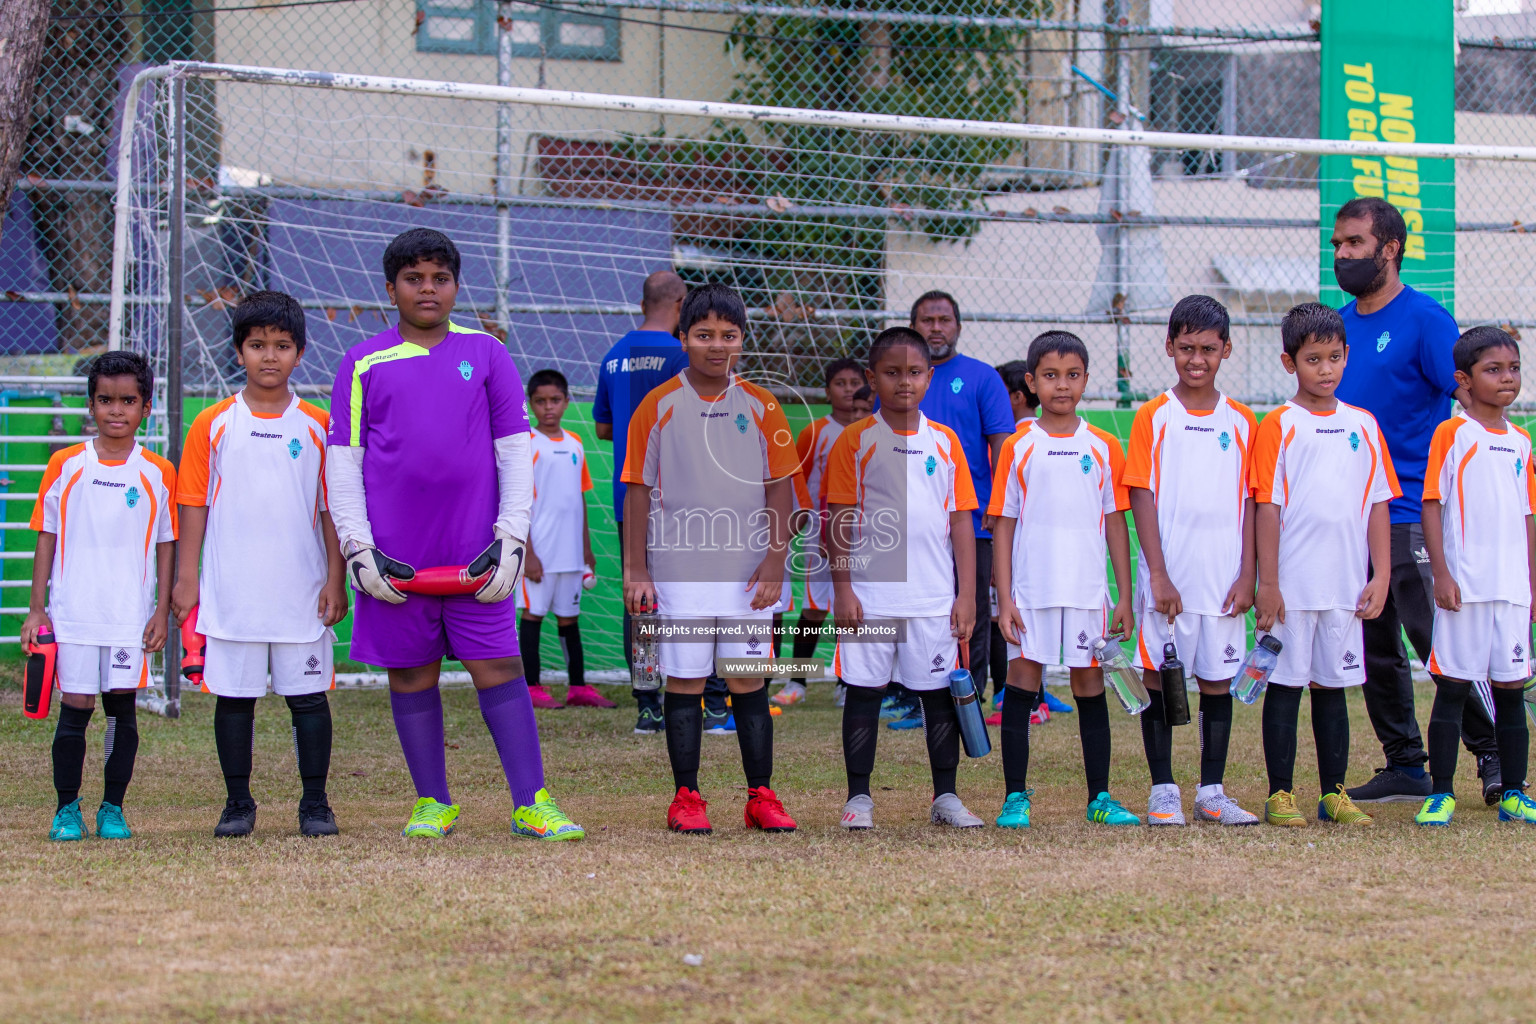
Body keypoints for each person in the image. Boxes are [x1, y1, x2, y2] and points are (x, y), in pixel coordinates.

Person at [325, 227, 583, 841]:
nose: (428, 289)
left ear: (456, 285)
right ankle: (432, 801)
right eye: (414, 278)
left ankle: (531, 801)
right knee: (411, 675)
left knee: (498, 666)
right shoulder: (362, 363)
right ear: (391, 289)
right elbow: (343, 460)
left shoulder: (487, 353)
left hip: (477, 554)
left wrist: (512, 537)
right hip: (395, 559)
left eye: (440, 278)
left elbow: (514, 451)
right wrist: (358, 547)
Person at [1331, 197, 1502, 804]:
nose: (1342, 255)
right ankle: (1405, 763)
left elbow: (1467, 402)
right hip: (1351, 519)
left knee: (1437, 641)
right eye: (1338, 245)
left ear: (1390, 248)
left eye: (1354, 243)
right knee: (1375, 646)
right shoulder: (1338, 327)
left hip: (1408, 511)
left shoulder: (1427, 319)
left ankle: (1496, 758)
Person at [622, 283, 799, 834]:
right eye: (704, 335)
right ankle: (687, 797)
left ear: (742, 341)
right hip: (680, 577)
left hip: (749, 578)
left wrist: (776, 560)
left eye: (728, 335)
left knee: (749, 681)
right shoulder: (658, 406)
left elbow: (780, 490)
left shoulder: (762, 405)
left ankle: (761, 797)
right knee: (686, 681)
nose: (716, 346)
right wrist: (636, 567)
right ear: (683, 338)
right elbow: (635, 489)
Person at [171, 291, 348, 838]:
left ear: (299, 353)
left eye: (282, 345)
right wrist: (185, 577)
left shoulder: (320, 425)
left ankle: (315, 803)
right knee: (235, 699)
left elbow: (331, 510)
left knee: (308, 700)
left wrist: (336, 580)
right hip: (233, 591)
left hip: (303, 590)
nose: (269, 356)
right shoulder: (213, 423)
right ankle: (237, 803)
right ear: (238, 351)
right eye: (256, 345)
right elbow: (193, 503)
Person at [825, 326, 981, 830]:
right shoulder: (855, 441)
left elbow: (961, 520)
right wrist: (844, 589)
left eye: (914, 372)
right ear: (873, 379)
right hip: (870, 596)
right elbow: (840, 520)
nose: (904, 382)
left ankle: (946, 797)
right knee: (864, 693)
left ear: (930, 377)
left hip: (933, 598)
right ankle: (859, 798)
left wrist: (967, 594)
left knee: (937, 697)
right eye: (892, 373)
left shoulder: (947, 441)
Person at [1250, 303, 1397, 828]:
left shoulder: (1364, 424)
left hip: (1345, 587)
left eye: (1335, 357)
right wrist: (1269, 583)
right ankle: (1280, 793)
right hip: (1292, 587)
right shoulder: (1278, 426)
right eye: (1314, 359)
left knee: (1332, 689)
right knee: (1287, 687)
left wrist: (1379, 574)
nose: (1327, 369)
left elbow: (1379, 502)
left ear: (1347, 356)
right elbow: (1266, 506)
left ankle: (1334, 794)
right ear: (1290, 363)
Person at [24, 351, 176, 841]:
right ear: (91, 405)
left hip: (129, 616)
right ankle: (66, 809)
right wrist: (36, 608)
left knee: (122, 712)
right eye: (105, 400)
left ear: (146, 407)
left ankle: (113, 808)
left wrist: (159, 610)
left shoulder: (158, 472)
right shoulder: (65, 465)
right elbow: (46, 536)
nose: (116, 410)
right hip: (75, 614)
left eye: (127, 401)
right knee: (75, 708)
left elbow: (166, 543)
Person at [989, 331, 1137, 829]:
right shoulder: (1018, 445)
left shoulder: (1103, 446)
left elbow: (1116, 521)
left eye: (1072, 375)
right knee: (1022, 683)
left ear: (1086, 381)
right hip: (1030, 592)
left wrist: (1123, 596)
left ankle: (1100, 797)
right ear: (1031, 382)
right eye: (1050, 376)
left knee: (1089, 683)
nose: (1062, 385)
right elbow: (1003, 523)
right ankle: (1015, 799)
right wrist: (1004, 597)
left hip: (1086, 592)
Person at [1124, 295, 1260, 827]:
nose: (1196, 359)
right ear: (1169, 348)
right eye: (1186, 348)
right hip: (1171, 580)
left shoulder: (1244, 421)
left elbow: (1252, 501)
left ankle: (1211, 791)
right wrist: (1157, 573)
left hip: (1223, 580)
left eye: (1207, 348)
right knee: (1159, 678)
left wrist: (1248, 573)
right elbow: (1142, 495)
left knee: (1217, 681)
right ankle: (1163, 790)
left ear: (1226, 349)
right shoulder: (1154, 417)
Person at [1414, 326, 1536, 826]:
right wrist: (1441, 573)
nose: (1506, 379)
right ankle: (1440, 793)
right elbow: (1431, 504)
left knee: (1511, 690)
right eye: (1493, 370)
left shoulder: (1523, 442)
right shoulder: (1453, 433)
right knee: (1454, 688)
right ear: (1464, 379)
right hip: (1464, 590)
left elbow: (1528, 516)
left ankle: (1513, 792)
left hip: (1511, 591)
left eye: (1513, 369)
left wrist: (1531, 583)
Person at [900, 291, 1013, 724]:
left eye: (943, 319)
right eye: (926, 320)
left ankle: (968, 696)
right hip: (909, 521)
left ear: (958, 326)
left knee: (972, 611)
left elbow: (1002, 444)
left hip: (973, 518)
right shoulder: (900, 378)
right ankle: (916, 696)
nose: (935, 327)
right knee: (913, 605)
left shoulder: (982, 378)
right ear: (913, 325)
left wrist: (998, 505)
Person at [593, 271, 688, 734]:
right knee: (689, 594)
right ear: (681, 303)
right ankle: (703, 698)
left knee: (640, 597)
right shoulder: (682, 355)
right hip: (678, 499)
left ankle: (648, 704)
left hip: (628, 497)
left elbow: (605, 429)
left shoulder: (613, 356)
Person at [517, 368, 612, 711]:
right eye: (540, 401)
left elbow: (579, 498)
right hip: (539, 553)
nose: (548, 408)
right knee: (533, 615)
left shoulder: (575, 443)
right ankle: (530, 687)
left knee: (569, 619)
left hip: (571, 555)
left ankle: (578, 687)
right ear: (530, 405)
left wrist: (586, 549)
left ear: (567, 402)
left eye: (555, 400)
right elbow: (518, 502)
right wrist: (527, 553)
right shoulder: (527, 444)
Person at [773, 356, 865, 708]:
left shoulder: (874, 431)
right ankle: (798, 680)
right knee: (815, 608)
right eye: (840, 383)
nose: (848, 390)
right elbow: (800, 483)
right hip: (820, 531)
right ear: (827, 390)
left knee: (856, 607)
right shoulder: (816, 432)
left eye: (854, 383)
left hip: (863, 533)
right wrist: (804, 526)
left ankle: (848, 681)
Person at [985, 359, 1070, 727]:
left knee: (1007, 626)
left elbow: (1002, 503)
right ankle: (1038, 697)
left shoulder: (1012, 440)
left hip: (1020, 557)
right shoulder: (1030, 437)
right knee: (1034, 633)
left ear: (1017, 396)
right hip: (1047, 556)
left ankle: (1021, 698)